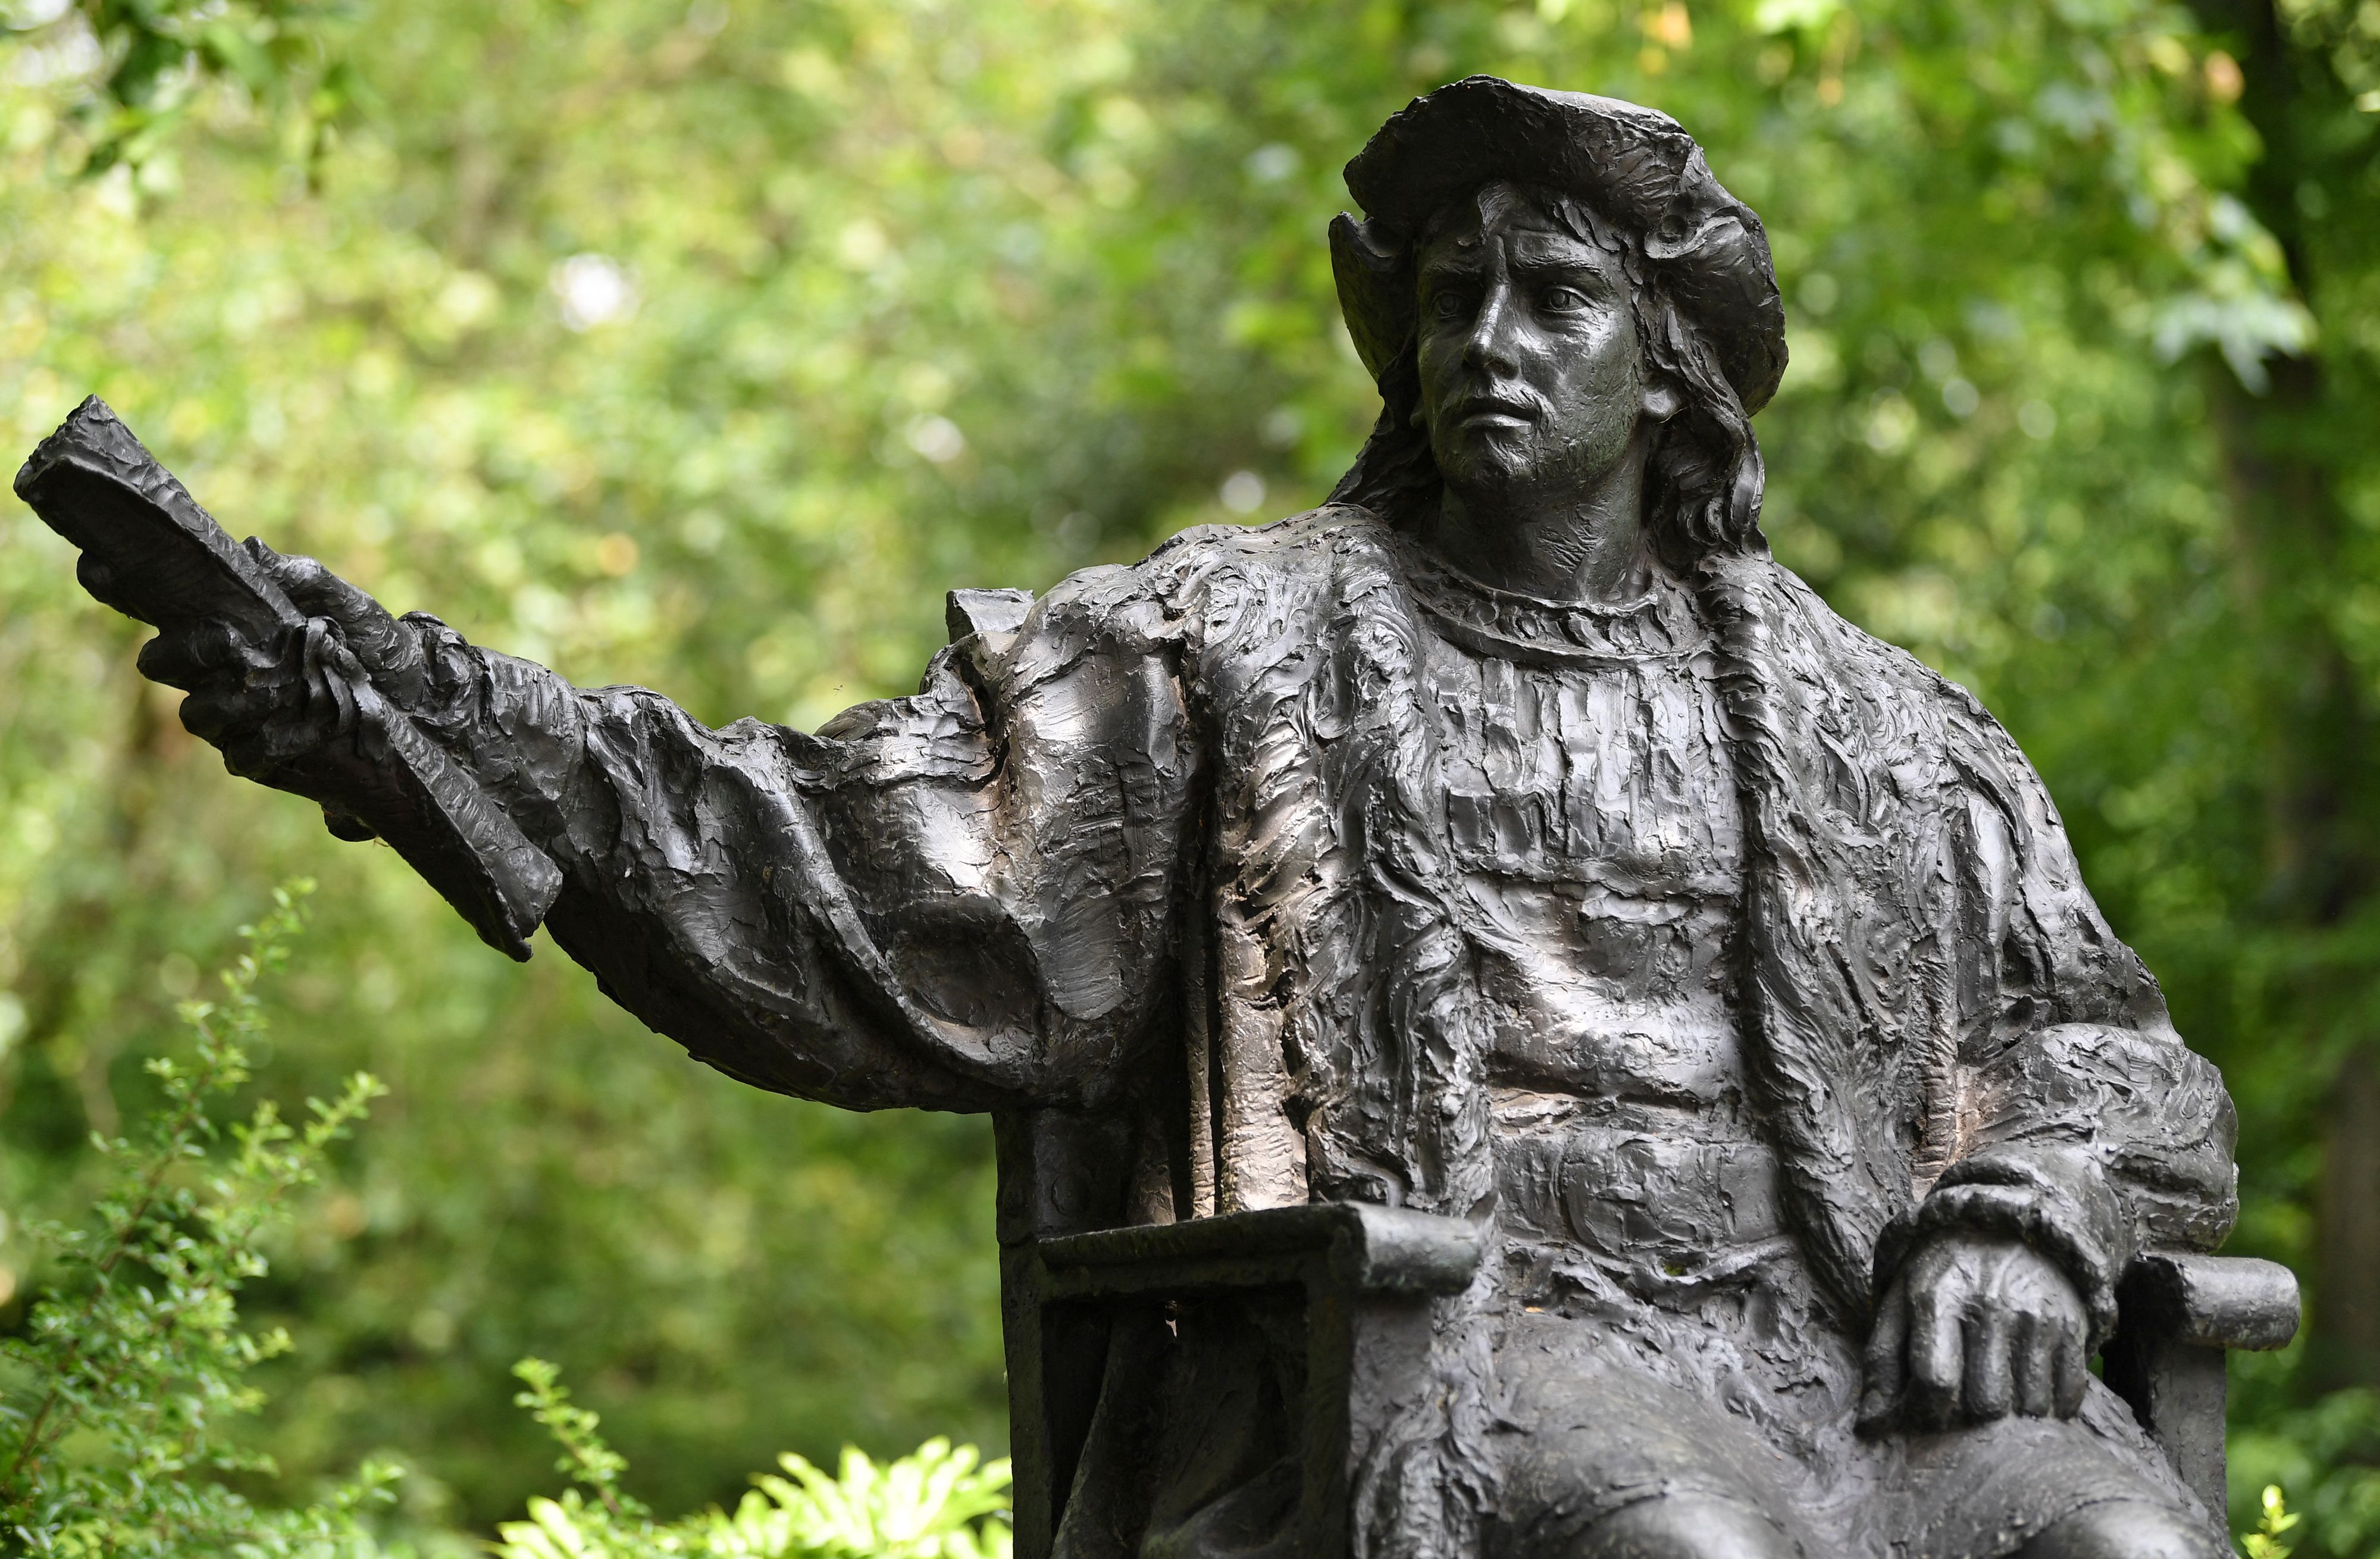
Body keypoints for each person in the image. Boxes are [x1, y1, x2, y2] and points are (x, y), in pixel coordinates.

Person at [139, 77, 2238, 1559]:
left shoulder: (1885, 726)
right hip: (1449, 1340)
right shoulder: (1229, 651)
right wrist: (408, 712)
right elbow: (834, 860)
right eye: (1448, 293)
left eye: (1554, 294)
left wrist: (2025, 1200)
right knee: (1687, 1546)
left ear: (1675, 370)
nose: (1482, 337)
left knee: (2130, 1544)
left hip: (1846, 1346)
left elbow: (2125, 1054)